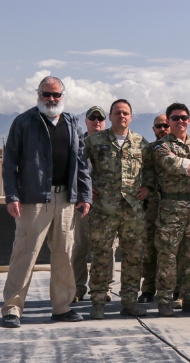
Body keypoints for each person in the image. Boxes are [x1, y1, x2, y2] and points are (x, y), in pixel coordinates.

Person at [2, 76, 91, 328]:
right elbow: (10, 163)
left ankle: (62, 307)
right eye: (46, 94)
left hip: (65, 200)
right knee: (25, 253)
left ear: (63, 96)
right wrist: (12, 195)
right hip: (33, 199)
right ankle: (12, 309)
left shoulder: (73, 122)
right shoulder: (24, 121)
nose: (51, 99)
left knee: (64, 254)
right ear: (38, 94)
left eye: (56, 95)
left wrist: (85, 196)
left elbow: (83, 163)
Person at [86, 99, 154, 319]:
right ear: (111, 116)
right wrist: (87, 189)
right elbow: (80, 168)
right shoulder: (95, 141)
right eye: (117, 113)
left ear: (131, 117)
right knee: (101, 256)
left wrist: (148, 187)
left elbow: (151, 170)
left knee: (134, 257)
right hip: (104, 209)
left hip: (132, 210)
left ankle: (129, 301)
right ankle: (97, 302)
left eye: (125, 113)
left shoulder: (141, 142)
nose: (121, 116)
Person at [152, 103, 190, 317]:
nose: (181, 121)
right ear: (168, 121)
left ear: (189, 121)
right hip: (171, 206)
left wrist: (185, 165)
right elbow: (171, 165)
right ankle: (165, 300)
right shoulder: (161, 146)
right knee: (168, 256)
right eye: (176, 117)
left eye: (184, 117)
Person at [72, 106, 117, 303]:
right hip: (82, 204)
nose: (96, 121)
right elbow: (71, 172)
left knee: (108, 248)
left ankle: (104, 287)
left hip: (107, 205)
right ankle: (77, 288)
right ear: (86, 121)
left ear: (105, 121)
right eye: (92, 117)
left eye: (100, 118)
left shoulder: (114, 143)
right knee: (79, 247)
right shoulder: (76, 143)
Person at [138, 114, 170, 304]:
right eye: (159, 126)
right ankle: (148, 288)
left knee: (174, 250)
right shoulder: (147, 150)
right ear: (153, 129)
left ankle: (174, 288)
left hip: (173, 206)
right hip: (151, 206)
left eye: (166, 125)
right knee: (149, 249)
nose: (163, 129)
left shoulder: (179, 149)